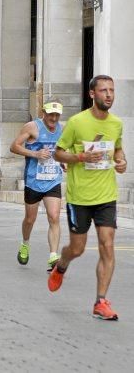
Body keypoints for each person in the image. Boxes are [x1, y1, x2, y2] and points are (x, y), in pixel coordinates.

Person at [48, 75, 126, 321]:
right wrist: (80, 158)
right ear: (92, 94)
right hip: (80, 196)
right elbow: (58, 153)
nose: (109, 95)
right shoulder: (77, 122)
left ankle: (100, 301)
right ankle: (62, 265)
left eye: (111, 90)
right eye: (103, 90)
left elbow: (118, 149)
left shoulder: (116, 124)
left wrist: (122, 161)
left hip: (106, 195)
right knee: (78, 248)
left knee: (108, 244)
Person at [10, 99, 64, 270]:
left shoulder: (63, 129)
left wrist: (64, 162)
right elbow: (14, 146)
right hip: (34, 181)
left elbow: (63, 151)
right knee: (30, 219)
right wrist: (35, 153)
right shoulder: (32, 127)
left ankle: (53, 255)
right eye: (50, 114)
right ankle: (25, 243)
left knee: (54, 217)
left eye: (57, 115)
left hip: (53, 180)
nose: (53, 118)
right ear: (44, 113)